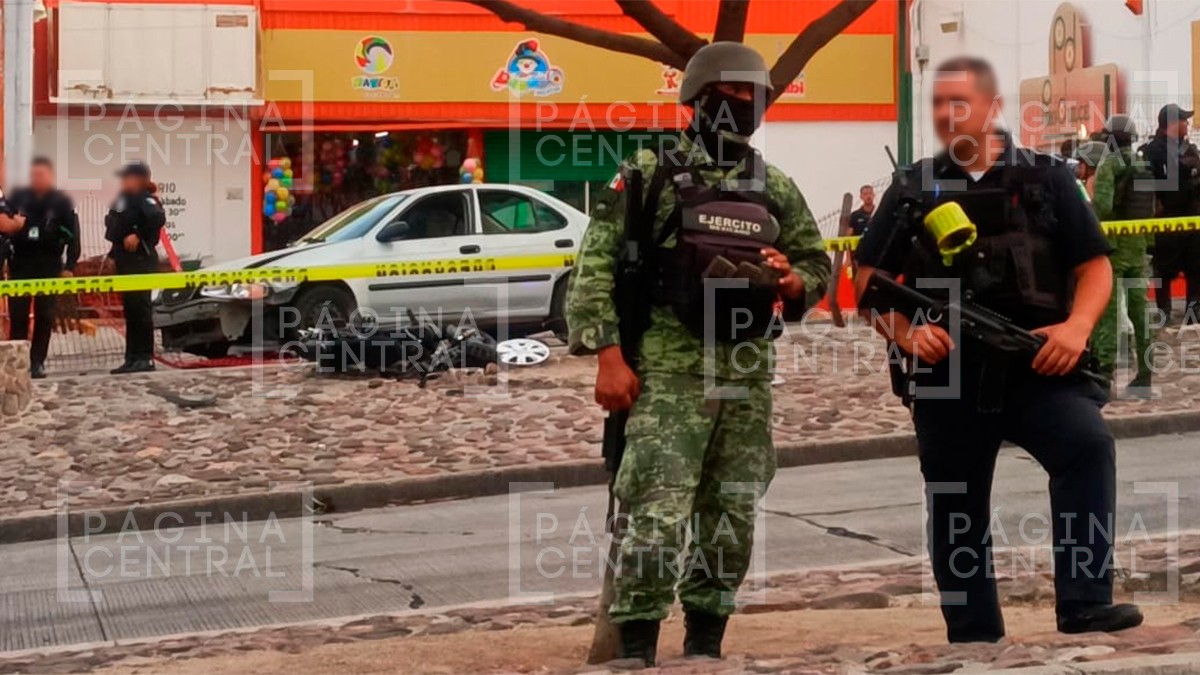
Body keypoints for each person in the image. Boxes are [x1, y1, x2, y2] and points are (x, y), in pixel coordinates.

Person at [854, 56, 1142, 643]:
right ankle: (974, 631)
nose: (947, 114)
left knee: (1086, 446)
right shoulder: (911, 188)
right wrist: (908, 334)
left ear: (992, 108)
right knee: (956, 502)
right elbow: (866, 286)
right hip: (948, 372)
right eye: (939, 104)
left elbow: (1094, 267)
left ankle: (1086, 602)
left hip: (1038, 361)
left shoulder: (1047, 177)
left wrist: (1076, 329)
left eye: (960, 102)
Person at [567, 42, 830, 665]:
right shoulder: (646, 171)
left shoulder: (774, 186)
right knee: (655, 519)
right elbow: (594, 266)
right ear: (696, 100)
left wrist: (793, 281)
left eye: (753, 97)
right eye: (730, 95)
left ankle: (706, 643)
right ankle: (636, 645)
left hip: (745, 375)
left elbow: (817, 262)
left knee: (732, 515)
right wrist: (608, 355)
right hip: (666, 374)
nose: (742, 106)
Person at [1087, 116, 1155, 393]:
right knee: (1140, 313)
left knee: (1109, 314)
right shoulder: (1142, 164)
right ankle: (1146, 374)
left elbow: (1102, 208)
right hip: (1137, 247)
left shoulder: (1109, 164)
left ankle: (1104, 374)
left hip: (1114, 250)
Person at [0, 158, 80, 378]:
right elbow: (6, 227)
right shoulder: (17, 199)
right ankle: (18, 363)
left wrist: (70, 265)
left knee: (45, 315)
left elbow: (72, 235)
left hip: (49, 264)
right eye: (33, 175)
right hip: (21, 264)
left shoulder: (61, 203)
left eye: (41, 175)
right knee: (18, 316)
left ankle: (37, 362)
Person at [1139, 103, 1200, 324]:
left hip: (1192, 221)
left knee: (1196, 268)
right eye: (1184, 120)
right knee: (1164, 270)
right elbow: (1144, 186)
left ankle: (1193, 315)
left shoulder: (1189, 149)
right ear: (1172, 124)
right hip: (1165, 222)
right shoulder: (1152, 151)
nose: (1188, 124)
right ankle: (1164, 314)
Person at [104, 162, 165, 375]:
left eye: (128, 177)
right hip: (124, 260)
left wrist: (138, 235)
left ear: (139, 179)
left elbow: (157, 218)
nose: (124, 181)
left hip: (141, 260)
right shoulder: (122, 199)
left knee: (141, 309)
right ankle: (131, 358)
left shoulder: (146, 199)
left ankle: (145, 357)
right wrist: (112, 255)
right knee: (130, 310)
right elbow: (114, 226)